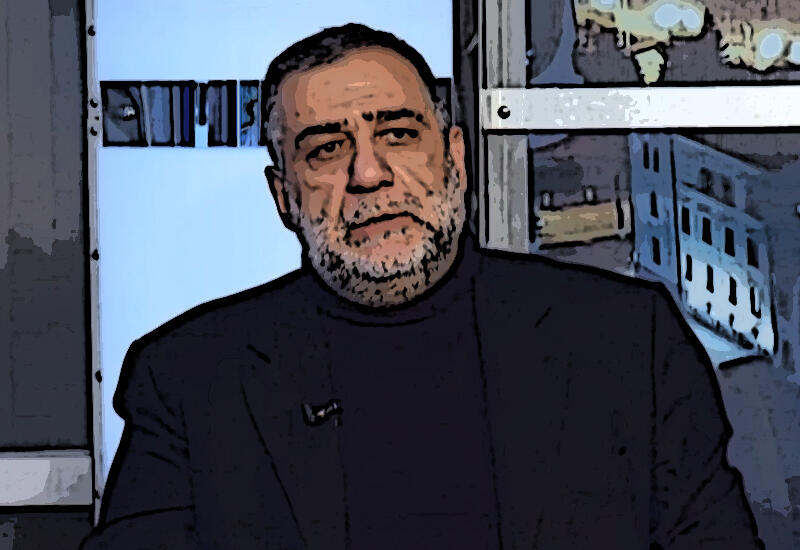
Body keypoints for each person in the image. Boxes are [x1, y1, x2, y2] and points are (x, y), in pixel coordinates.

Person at [80, 23, 762, 550]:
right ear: (283, 196)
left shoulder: (626, 342)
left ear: (455, 158)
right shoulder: (189, 377)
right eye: (325, 149)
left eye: (399, 135)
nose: (369, 174)